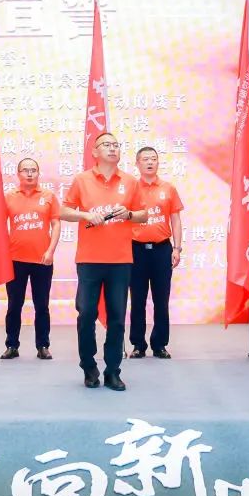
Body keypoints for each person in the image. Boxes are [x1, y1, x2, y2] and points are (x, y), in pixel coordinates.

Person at [61, 132, 148, 391]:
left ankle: (113, 371)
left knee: (117, 317)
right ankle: (89, 367)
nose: (112, 148)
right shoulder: (82, 180)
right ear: (95, 152)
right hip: (89, 260)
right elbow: (63, 211)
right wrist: (86, 215)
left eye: (116, 145)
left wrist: (129, 214)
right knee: (86, 313)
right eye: (106, 145)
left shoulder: (130, 182)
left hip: (120, 260)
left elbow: (143, 214)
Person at [2, 158, 60, 360]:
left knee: (41, 305)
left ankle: (43, 345)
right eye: (25, 170)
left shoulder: (48, 196)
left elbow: (56, 224)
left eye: (33, 170)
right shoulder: (9, 197)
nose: (29, 173)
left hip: (42, 260)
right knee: (14, 305)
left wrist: (51, 251)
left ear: (38, 173)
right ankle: (12, 345)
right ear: (18, 174)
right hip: (14, 260)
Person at [129, 146, 183, 359]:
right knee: (137, 300)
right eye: (145, 159)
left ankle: (159, 344)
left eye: (153, 159)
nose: (150, 162)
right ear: (137, 163)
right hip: (136, 250)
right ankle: (138, 344)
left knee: (161, 299)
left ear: (158, 163)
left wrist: (177, 247)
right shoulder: (131, 189)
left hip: (162, 249)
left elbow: (175, 219)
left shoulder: (168, 188)